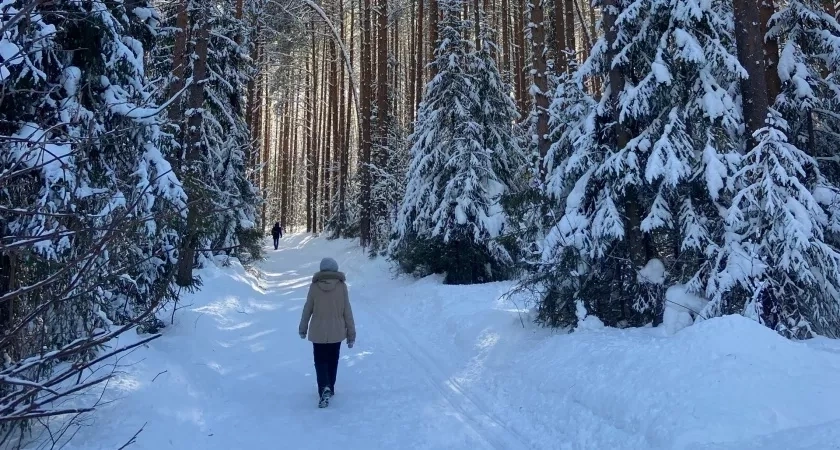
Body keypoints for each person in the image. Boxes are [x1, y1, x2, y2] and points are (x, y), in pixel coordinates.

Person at [298, 257, 356, 408]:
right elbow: (347, 311)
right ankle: (330, 387)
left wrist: (303, 328)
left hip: (318, 331)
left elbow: (307, 308)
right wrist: (351, 334)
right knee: (333, 360)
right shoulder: (342, 287)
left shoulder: (314, 286)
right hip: (336, 331)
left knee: (320, 360)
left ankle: (324, 387)